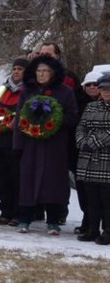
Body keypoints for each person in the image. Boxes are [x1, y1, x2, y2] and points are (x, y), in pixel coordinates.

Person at [12, 54, 79, 234]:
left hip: (54, 145)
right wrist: (17, 145)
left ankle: (52, 220)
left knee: (52, 182)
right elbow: (19, 119)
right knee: (28, 180)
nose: (42, 74)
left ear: (53, 72)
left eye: (46, 71)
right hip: (31, 144)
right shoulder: (28, 91)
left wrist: (53, 119)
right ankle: (24, 219)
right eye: (39, 71)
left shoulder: (65, 91)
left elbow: (73, 116)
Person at [0, 58, 28, 225]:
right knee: (0, 177)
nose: (16, 71)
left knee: (15, 178)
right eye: (14, 68)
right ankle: (6, 210)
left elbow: (27, 112)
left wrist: (14, 121)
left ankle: (18, 212)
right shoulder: (2, 89)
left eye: (20, 69)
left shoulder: (28, 91)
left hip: (16, 141)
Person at [75, 72, 110, 244]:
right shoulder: (91, 107)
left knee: (107, 200)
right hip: (88, 159)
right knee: (91, 199)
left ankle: (108, 231)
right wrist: (82, 141)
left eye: (108, 88)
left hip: (106, 160)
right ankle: (92, 229)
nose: (105, 91)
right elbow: (81, 126)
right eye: (103, 88)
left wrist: (94, 141)